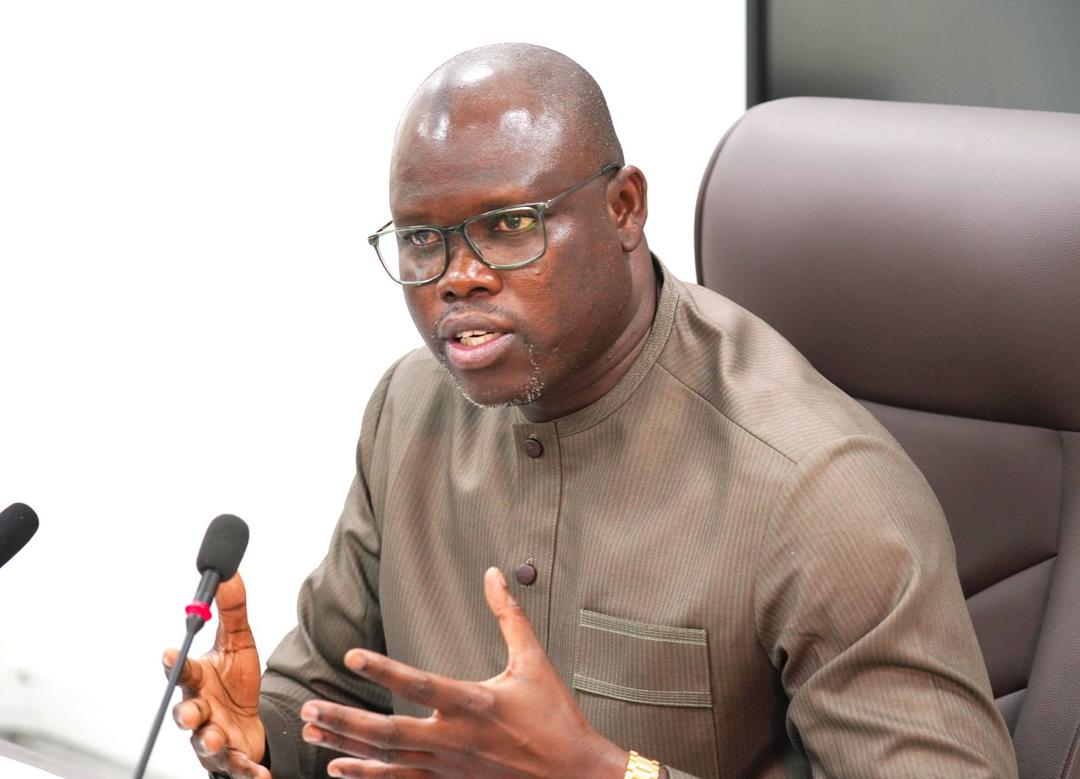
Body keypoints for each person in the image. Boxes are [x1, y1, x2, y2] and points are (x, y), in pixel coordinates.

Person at [165, 43, 1018, 778]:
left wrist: (605, 771)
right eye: (422, 239)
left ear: (623, 209)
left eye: (509, 225)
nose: (457, 277)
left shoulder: (815, 486)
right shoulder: (410, 409)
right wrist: (262, 732)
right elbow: (329, 691)